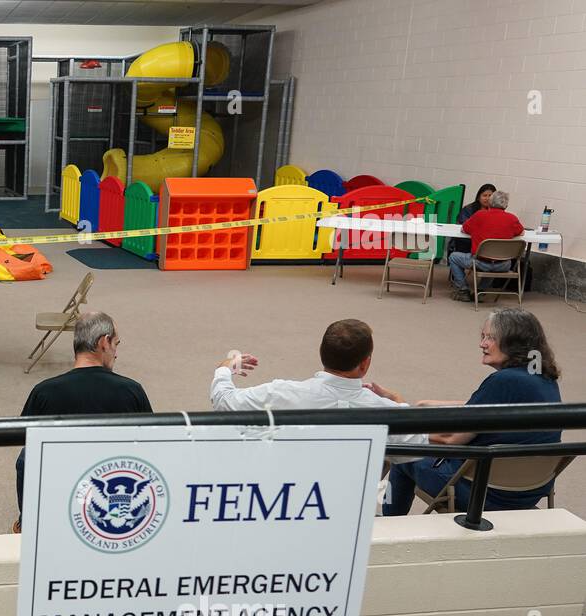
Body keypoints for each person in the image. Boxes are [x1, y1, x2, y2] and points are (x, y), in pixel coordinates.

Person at [383, 308, 562, 515]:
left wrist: (407, 432)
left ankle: (389, 521)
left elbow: (451, 439)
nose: (482, 344)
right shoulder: (543, 377)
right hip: (530, 491)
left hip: (483, 492)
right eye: (483, 336)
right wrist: (428, 404)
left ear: (514, 342)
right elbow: (491, 407)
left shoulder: (502, 381)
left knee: (401, 450)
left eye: (490, 338)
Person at [210, 319, 428, 457]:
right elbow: (421, 443)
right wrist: (397, 400)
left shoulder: (281, 392)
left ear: (322, 353)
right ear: (365, 364)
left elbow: (223, 401)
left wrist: (224, 368)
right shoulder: (383, 410)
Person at [14, 312, 152, 531]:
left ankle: (27, 522)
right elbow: (152, 444)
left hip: (58, 486)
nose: (116, 353)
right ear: (103, 342)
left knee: (25, 456)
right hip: (113, 484)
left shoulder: (44, 392)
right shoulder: (131, 391)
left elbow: (21, 438)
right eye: (116, 344)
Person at [448, 190, 525, 299]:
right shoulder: (512, 218)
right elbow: (521, 232)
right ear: (506, 205)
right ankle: (480, 292)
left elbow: (464, 229)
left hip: (480, 262)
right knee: (494, 255)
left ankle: (463, 291)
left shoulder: (480, 215)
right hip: (504, 265)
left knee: (453, 257)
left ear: (490, 202)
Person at [449, 182, 497, 256]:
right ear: (478, 197)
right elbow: (463, 225)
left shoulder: (497, 211)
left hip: (488, 246)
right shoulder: (468, 209)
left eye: (490, 196)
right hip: (468, 241)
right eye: (484, 195)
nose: (487, 199)